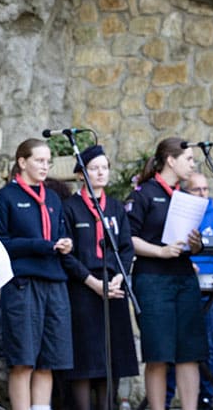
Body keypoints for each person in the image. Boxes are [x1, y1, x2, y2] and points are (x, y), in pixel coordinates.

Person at [0, 139, 74, 410]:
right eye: (39, 160)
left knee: (49, 360)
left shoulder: (53, 197)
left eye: (48, 161)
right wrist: (37, 245)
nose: (45, 166)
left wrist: (65, 243)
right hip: (23, 285)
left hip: (54, 282)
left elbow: (58, 233)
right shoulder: (5, 197)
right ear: (22, 162)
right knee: (23, 360)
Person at [127, 137, 207, 410]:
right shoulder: (143, 194)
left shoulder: (185, 196)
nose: (192, 164)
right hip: (152, 278)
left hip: (183, 276)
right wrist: (159, 251)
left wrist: (195, 244)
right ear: (171, 160)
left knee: (189, 353)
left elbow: (189, 236)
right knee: (158, 354)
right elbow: (128, 239)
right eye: (188, 159)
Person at [60, 145, 139, 410]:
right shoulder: (70, 208)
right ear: (81, 174)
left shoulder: (115, 207)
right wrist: (90, 281)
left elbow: (126, 247)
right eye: (94, 168)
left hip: (113, 286)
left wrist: (119, 275)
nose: (100, 173)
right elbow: (66, 253)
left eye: (104, 167)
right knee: (85, 358)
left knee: (110, 355)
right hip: (83, 287)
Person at [167, 172, 213, 410]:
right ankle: (167, 397)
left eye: (205, 189)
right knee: (174, 344)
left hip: (210, 287)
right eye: (196, 189)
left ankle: (207, 398)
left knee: (207, 343)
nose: (202, 194)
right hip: (181, 284)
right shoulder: (178, 214)